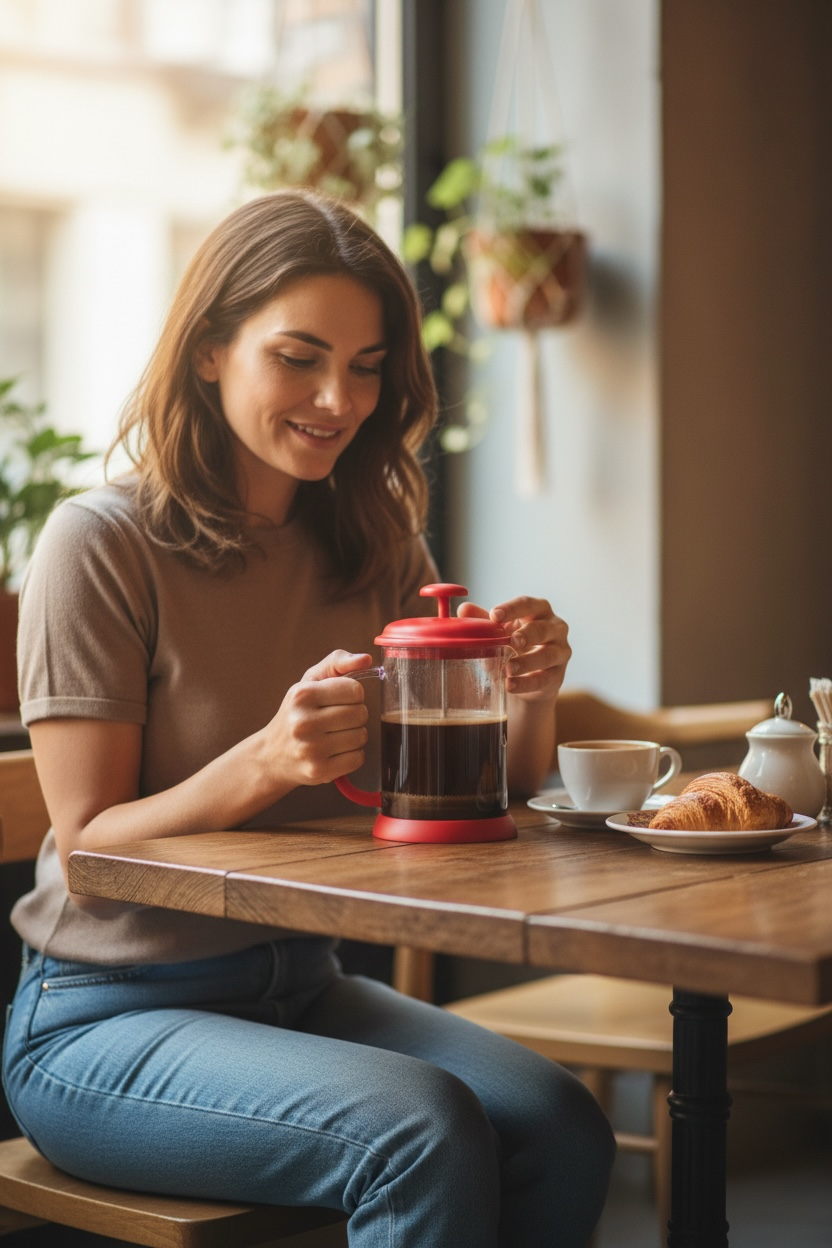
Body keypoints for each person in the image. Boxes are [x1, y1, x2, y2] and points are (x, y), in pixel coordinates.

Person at [2, 189, 614, 1247]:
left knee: (558, 1122)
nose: (338, 397)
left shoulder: (375, 547)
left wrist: (528, 693)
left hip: (300, 987)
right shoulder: (98, 545)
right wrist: (266, 762)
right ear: (208, 351)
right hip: (103, 1020)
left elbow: (484, 801)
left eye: (368, 365)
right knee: (419, 1132)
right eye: (298, 356)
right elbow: (88, 846)